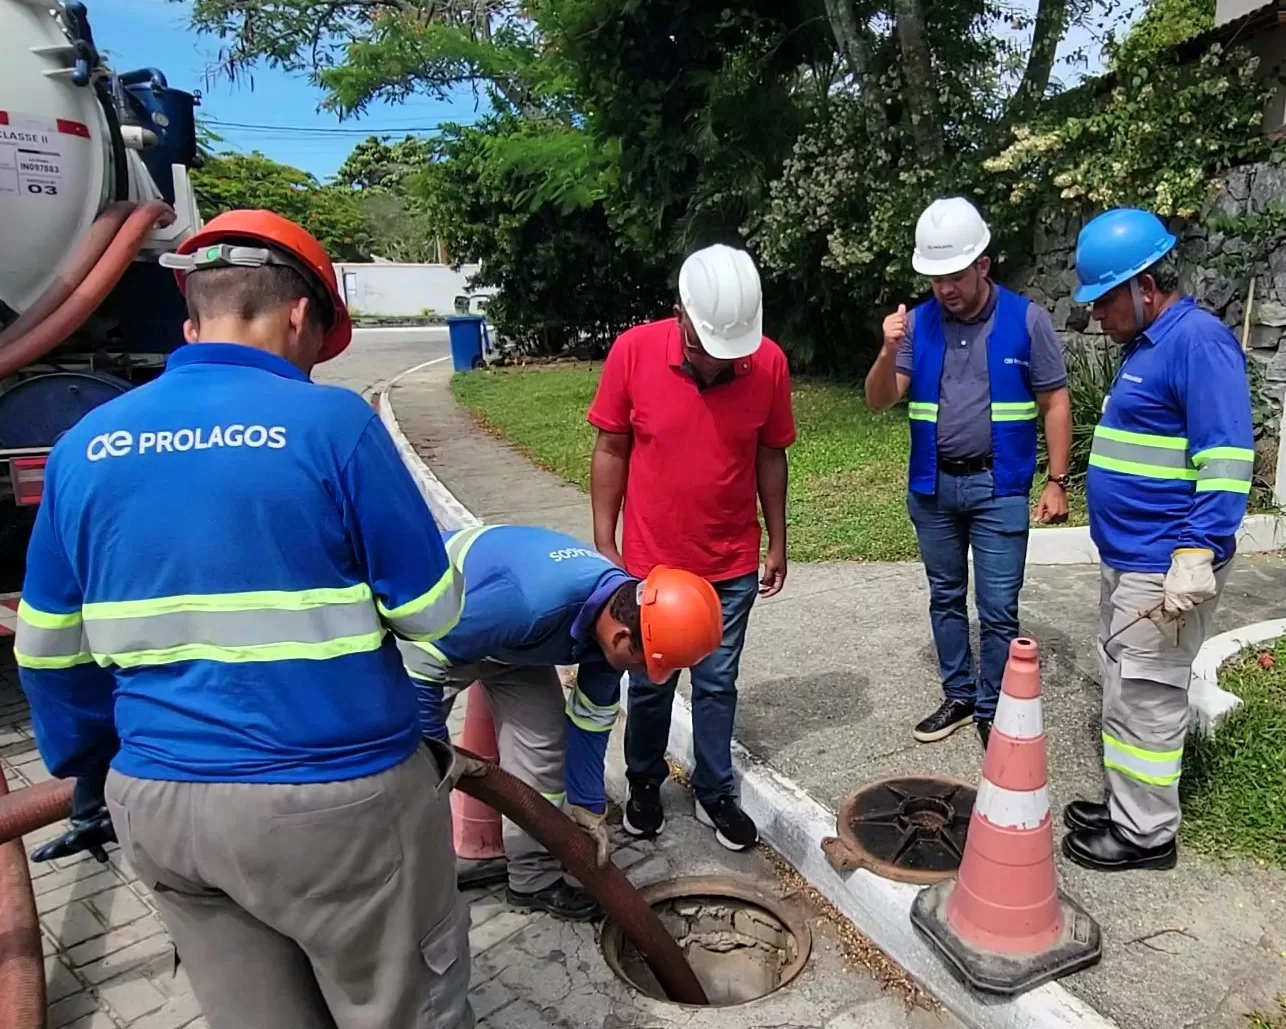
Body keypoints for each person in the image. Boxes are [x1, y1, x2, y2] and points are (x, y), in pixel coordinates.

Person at [14, 211, 473, 1029]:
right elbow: (431, 611)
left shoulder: (83, 446)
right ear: (299, 316)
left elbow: (47, 652)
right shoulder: (335, 425)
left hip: (160, 805)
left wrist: (98, 771)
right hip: (338, 804)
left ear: (192, 323)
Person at [1061, 208, 1253, 872]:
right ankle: (1127, 805)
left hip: (1164, 561)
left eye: (1105, 299)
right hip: (1131, 557)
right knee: (1123, 685)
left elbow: (1226, 457)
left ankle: (1146, 835)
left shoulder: (1198, 343)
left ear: (1145, 286)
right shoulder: (1148, 343)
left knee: (1146, 696)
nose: (1096, 315)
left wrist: (1197, 551)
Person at [399, 523, 723, 918]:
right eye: (644, 665)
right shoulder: (531, 603)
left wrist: (588, 808)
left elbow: (590, 722)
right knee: (411, 773)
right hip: (434, 630)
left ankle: (532, 879)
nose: (643, 675)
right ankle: (406, 894)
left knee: (545, 745)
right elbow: (421, 658)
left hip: (513, 644)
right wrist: (434, 752)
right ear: (622, 638)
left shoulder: (615, 621)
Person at [587, 243, 795, 853]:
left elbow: (770, 455)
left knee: (717, 682)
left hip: (729, 562)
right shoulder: (633, 351)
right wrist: (604, 540)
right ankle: (644, 782)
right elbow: (611, 449)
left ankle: (714, 791)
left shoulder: (768, 362)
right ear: (680, 314)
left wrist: (778, 540)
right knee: (650, 684)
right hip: (652, 565)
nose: (716, 363)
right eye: (705, 349)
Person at [865, 197, 1073, 750]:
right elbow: (880, 399)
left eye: (955, 276)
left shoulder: (1026, 320)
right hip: (933, 487)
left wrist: (1056, 481)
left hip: (999, 486)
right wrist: (887, 351)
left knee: (999, 608)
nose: (945, 289)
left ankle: (992, 706)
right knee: (945, 596)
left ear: (983, 264)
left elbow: (1054, 401)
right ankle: (958, 696)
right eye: (935, 279)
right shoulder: (917, 324)